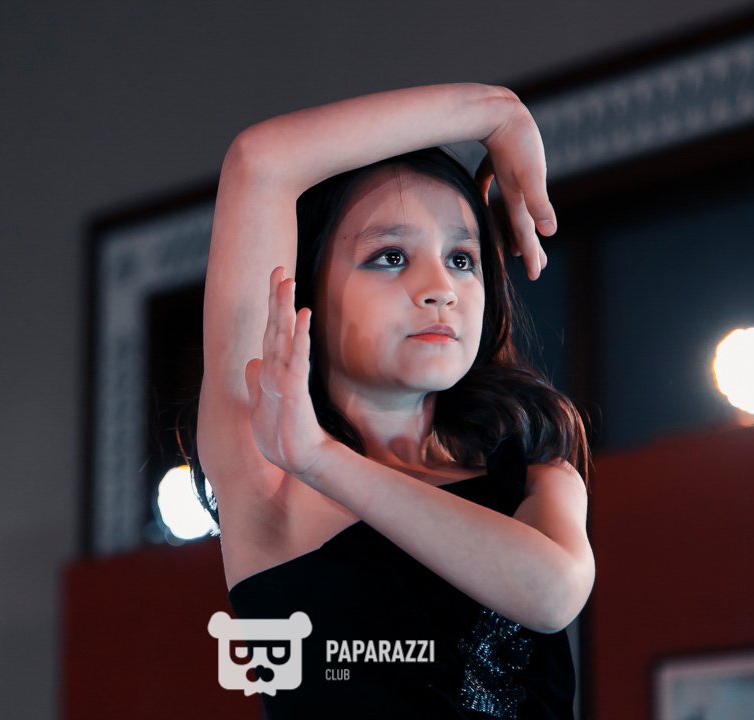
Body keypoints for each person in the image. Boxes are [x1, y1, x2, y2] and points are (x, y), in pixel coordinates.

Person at [191, 83, 594, 719]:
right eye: (390, 256)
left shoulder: (542, 483)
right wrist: (495, 112)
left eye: (461, 259)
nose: (440, 288)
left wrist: (322, 460)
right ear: (305, 294)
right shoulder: (267, 477)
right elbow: (260, 162)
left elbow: (550, 593)